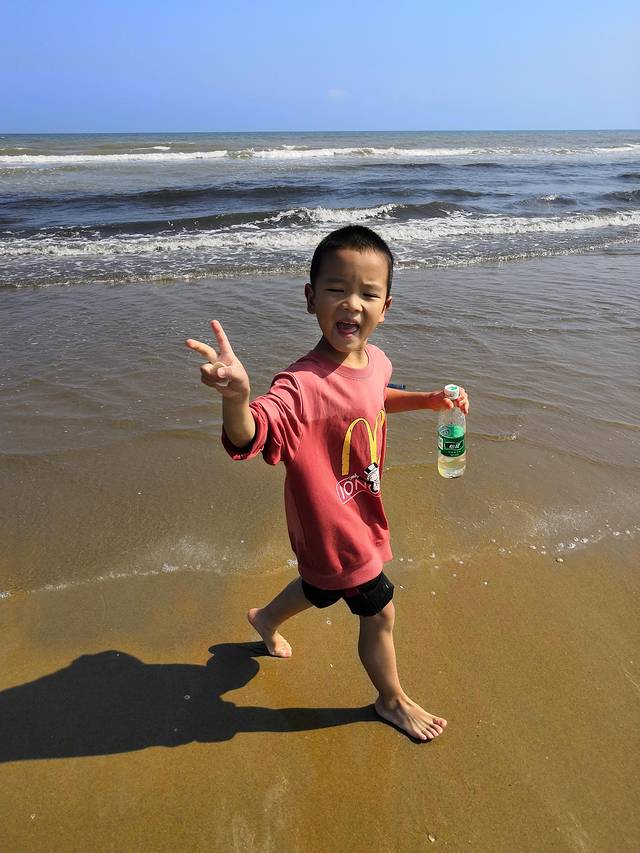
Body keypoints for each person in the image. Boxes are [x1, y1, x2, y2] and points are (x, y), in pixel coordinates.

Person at [186, 225, 469, 742]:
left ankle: (264, 619)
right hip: (330, 526)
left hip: (360, 509)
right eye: (336, 289)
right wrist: (237, 397)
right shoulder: (301, 385)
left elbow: (374, 396)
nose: (352, 303)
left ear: (386, 307)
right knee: (379, 610)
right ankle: (390, 700)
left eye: (368, 293)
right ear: (311, 297)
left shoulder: (377, 360)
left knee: (319, 589)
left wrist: (428, 400)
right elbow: (254, 432)